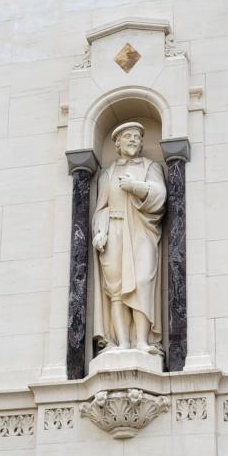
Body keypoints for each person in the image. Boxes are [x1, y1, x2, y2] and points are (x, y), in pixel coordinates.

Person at [92, 122, 167, 354]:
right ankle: (123, 343)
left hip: (142, 232)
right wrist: (100, 232)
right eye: (128, 136)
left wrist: (136, 187)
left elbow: (160, 197)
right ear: (117, 143)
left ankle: (142, 342)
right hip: (114, 231)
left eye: (137, 136)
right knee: (116, 291)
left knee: (142, 282)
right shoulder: (109, 173)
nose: (133, 140)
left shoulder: (150, 167)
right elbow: (101, 208)